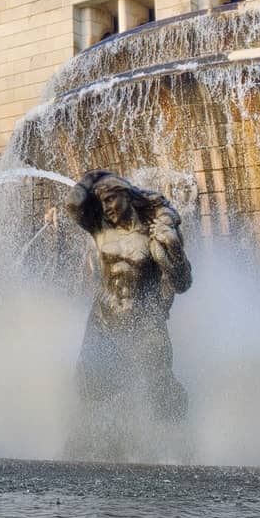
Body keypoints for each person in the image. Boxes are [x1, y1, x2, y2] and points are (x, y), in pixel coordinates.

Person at [65, 169, 192, 419]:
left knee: (160, 386)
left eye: (111, 199)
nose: (107, 207)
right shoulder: (100, 229)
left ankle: (175, 442)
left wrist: (174, 248)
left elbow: (183, 283)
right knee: (90, 384)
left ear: (127, 196)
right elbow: (73, 203)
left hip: (143, 319)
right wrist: (97, 175)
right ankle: (98, 443)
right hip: (103, 318)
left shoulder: (155, 234)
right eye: (102, 202)